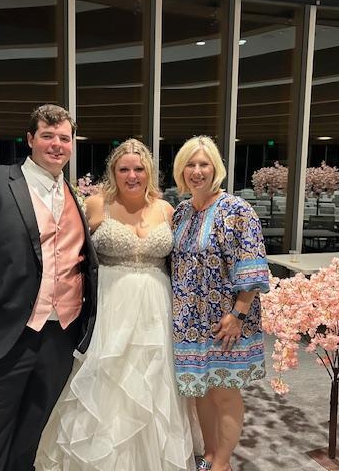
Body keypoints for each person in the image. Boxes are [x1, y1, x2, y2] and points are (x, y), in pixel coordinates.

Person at [0, 104, 98, 471]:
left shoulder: (72, 194)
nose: (56, 144)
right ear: (30, 139)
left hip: (59, 336)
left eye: (64, 138)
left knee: (30, 435)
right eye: (47, 136)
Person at [37, 139, 193, 470]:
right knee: (106, 374)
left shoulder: (166, 209)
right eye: (124, 169)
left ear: (149, 172)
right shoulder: (97, 205)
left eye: (139, 169)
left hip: (156, 304)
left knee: (154, 378)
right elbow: (66, 250)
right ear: (113, 172)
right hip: (112, 303)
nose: (132, 176)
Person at [170, 136, 269, 471]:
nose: (197, 171)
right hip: (189, 322)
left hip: (225, 320)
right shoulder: (181, 212)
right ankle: (210, 455)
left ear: (216, 169)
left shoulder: (237, 210)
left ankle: (223, 462)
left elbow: (251, 265)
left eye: (204, 164)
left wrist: (237, 314)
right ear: (181, 170)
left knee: (224, 391)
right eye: (190, 164)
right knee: (200, 390)